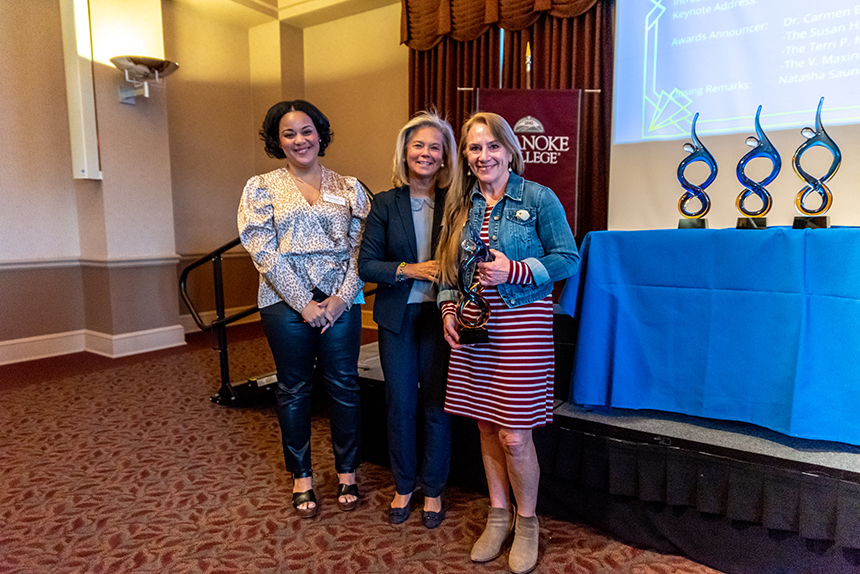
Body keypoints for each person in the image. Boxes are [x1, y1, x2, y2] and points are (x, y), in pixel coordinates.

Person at [436, 112, 580, 573]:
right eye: (475, 148)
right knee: (484, 427)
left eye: (492, 146)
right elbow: (446, 270)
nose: (483, 156)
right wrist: (446, 309)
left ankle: (528, 522)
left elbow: (568, 259)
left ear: (510, 150)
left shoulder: (538, 197)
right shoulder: (461, 205)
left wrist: (514, 270)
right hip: (474, 327)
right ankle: (497, 516)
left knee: (515, 436)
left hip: (522, 324)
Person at [238, 100, 370, 518]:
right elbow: (262, 249)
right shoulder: (260, 186)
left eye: (306, 130)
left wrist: (341, 299)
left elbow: (361, 250)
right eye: (289, 133)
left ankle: (348, 471)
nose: (300, 140)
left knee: (344, 387)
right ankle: (302, 476)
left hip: (340, 301)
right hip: (283, 302)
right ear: (277, 141)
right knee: (294, 389)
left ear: (321, 133)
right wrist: (304, 303)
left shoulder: (350, 187)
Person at [357, 111, 457, 528]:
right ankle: (403, 485)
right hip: (397, 317)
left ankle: (432, 489)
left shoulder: (458, 203)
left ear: (445, 156)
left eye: (435, 146)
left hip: (442, 317)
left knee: (437, 406)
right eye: (419, 145)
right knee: (400, 405)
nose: (426, 153)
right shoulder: (384, 203)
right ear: (405, 152)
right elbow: (367, 265)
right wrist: (410, 270)